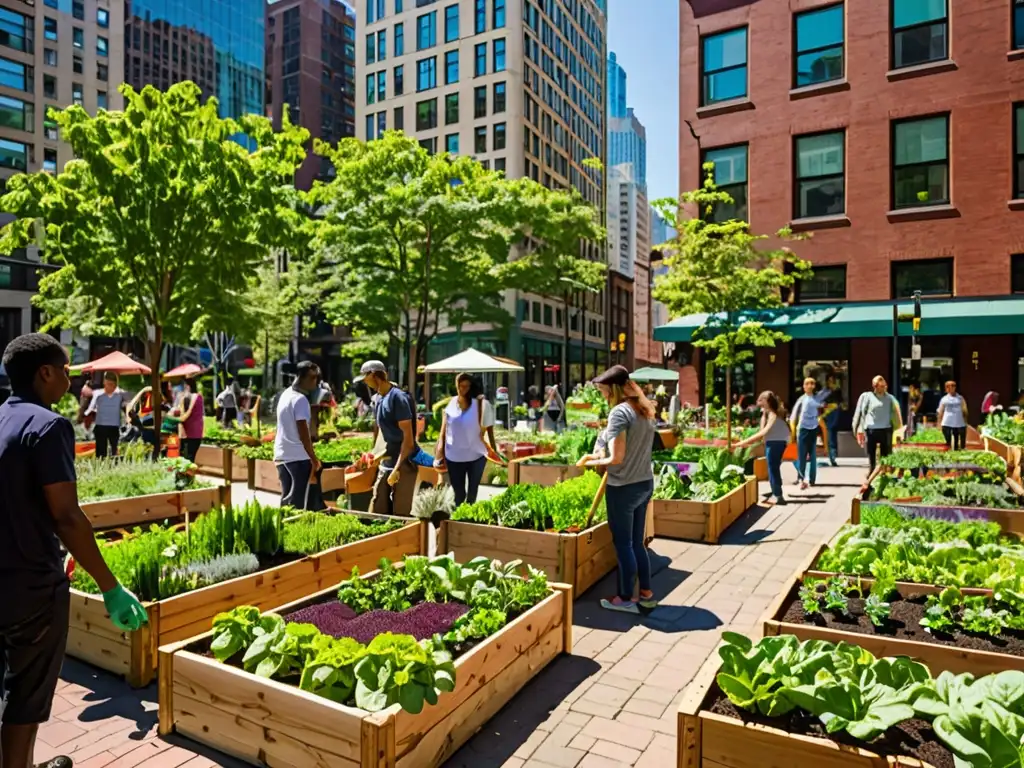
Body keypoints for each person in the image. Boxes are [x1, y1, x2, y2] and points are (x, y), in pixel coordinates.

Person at [0, 334, 147, 768]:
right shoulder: (49, 426)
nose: (70, 378)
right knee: (25, 697)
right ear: (44, 373)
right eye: (65, 370)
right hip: (31, 589)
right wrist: (111, 586)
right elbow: (67, 517)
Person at [578, 365, 657, 615]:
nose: (602, 395)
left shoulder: (619, 413)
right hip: (644, 483)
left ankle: (625, 598)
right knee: (637, 544)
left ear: (613, 389)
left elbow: (617, 457)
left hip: (624, 487)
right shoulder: (643, 409)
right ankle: (645, 595)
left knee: (623, 545)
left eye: (602, 390)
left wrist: (589, 462)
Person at [356, 360, 418, 517]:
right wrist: (374, 456)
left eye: (366, 378)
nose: (365, 382)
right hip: (387, 461)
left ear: (374, 376)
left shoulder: (398, 398)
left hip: (404, 463)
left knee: (399, 514)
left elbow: (408, 441)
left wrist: (397, 468)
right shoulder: (378, 399)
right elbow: (381, 434)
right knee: (377, 508)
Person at [434, 373, 501, 507]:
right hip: (454, 457)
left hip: (476, 456)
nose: (463, 389)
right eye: (460, 386)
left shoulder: (482, 404)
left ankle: (467, 521)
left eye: (466, 386)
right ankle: (458, 521)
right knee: (458, 494)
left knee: (472, 494)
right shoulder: (451, 404)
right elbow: (443, 431)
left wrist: (495, 453)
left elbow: (490, 430)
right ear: (456, 386)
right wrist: (439, 453)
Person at [274, 362, 322, 510]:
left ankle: (282, 526)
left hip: (282, 454)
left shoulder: (286, 394)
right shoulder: (300, 400)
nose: (316, 381)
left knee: (287, 497)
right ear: (302, 377)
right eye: (313, 377)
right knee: (298, 500)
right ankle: (292, 527)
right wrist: (313, 459)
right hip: (298, 457)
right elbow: (303, 431)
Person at [735, 390, 790, 506]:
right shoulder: (767, 413)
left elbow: (764, 431)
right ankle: (776, 493)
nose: (757, 402)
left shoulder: (773, 414)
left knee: (773, 467)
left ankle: (778, 496)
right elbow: (762, 433)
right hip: (776, 441)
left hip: (777, 441)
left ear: (766, 401)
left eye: (760, 400)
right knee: (772, 467)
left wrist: (743, 442)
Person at [852, 375, 903, 473]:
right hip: (872, 430)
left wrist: (899, 429)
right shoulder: (868, 397)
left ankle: (885, 477)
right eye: (880, 386)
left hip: (886, 430)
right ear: (874, 386)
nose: (883, 388)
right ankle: (871, 477)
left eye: (884, 386)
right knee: (872, 458)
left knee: (886, 458)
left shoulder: (890, 398)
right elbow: (862, 413)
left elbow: (897, 412)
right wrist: (859, 429)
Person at [790, 377, 830, 490]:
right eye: (807, 383)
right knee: (801, 455)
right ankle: (801, 478)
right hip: (802, 429)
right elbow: (793, 417)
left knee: (813, 455)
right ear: (803, 386)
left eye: (812, 383)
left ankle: (812, 479)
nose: (810, 385)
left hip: (813, 429)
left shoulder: (817, 400)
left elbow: (820, 413)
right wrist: (793, 433)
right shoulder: (801, 400)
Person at [86, 372, 130, 459]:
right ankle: (101, 468)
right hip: (101, 426)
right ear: (104, 383)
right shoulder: (98, 393)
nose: (110, 387)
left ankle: (112, 468)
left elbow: (127, 405)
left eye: (112, 384)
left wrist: (127, 417)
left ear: (115, 384)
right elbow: (90, 408)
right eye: (108, 384)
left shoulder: (120, 394)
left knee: (114, 451)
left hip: (114, 426)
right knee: (101, 453)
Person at [176, 378, 205, 463]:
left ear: (187, 386)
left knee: (183, 458)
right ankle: (188, 475)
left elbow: (184, 414)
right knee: (191, 458)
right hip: (196, 433)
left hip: (184, 433)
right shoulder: (199, 397)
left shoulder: (185, 398)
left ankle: (183, 475)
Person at [938, 380, 968, 450]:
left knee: (958, 438)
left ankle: (958, 450)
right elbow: (940, 410)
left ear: (955, 387)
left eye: (952, 386)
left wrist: (965, 420)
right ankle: (949, 449)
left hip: (958, 421)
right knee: (947, 437)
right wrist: (939, 422)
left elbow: (964, 409)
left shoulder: (960, 398)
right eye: (948, 386)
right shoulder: (944, 399)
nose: (950, 388)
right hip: (947, 421)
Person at [823, 375, 844, 466]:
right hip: (827, 412)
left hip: (835, 411)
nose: (831, 382)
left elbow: (841, 401)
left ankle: (833, 455)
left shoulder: (837, 390)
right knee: (829, 431)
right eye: (829, 381)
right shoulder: (825, 391)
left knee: (832, 431)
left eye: (832, 380)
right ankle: (831, 455)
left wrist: (839, 407)